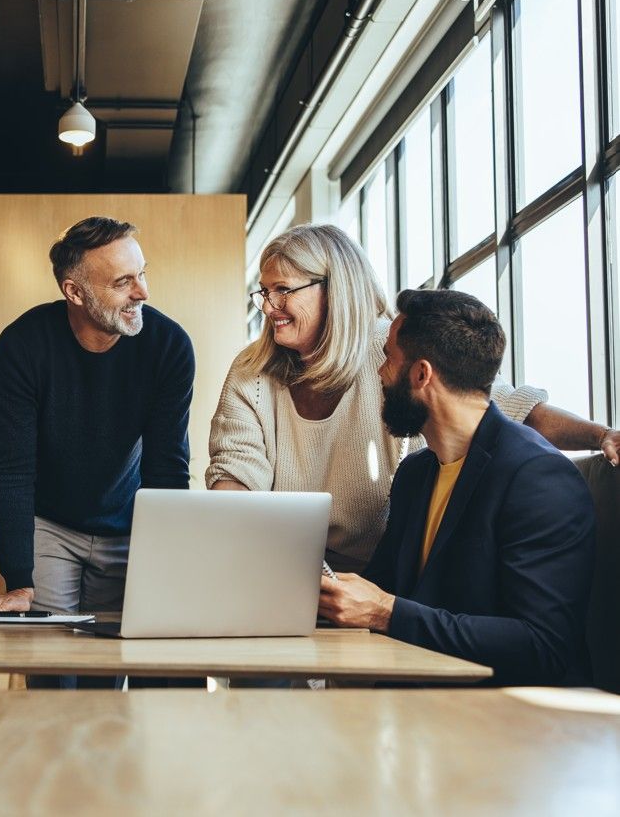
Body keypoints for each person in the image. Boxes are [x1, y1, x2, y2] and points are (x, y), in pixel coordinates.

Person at [209, 224, 617, 573]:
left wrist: (601, 435)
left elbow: (506, 409)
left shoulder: (392, 350)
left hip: (389, 574)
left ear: (335, 291)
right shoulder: (252, 370)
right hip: (284, 564)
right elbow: (235, 474)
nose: (269, 307)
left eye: (283, 290)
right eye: (264, 292)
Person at [319, 289, 595, 686]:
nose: (379, 372)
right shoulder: (416, 474)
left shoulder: (540, 478)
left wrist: (386, 612)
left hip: (513, 713)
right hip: (420, 699)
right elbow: (380, 589)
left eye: (388, 358)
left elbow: (543, 646)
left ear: (421, 375)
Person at [0, 216, 195, 632]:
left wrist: (167, 565)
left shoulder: (169, 346)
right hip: (50, 525)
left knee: (115, 654)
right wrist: (19, 580)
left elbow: (167, 467)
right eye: (123, 282)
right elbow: (11, 471)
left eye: (142, 274)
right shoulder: (22, 346)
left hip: (131, 523)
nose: (143, 292)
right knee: (50, 654)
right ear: (74, 292)